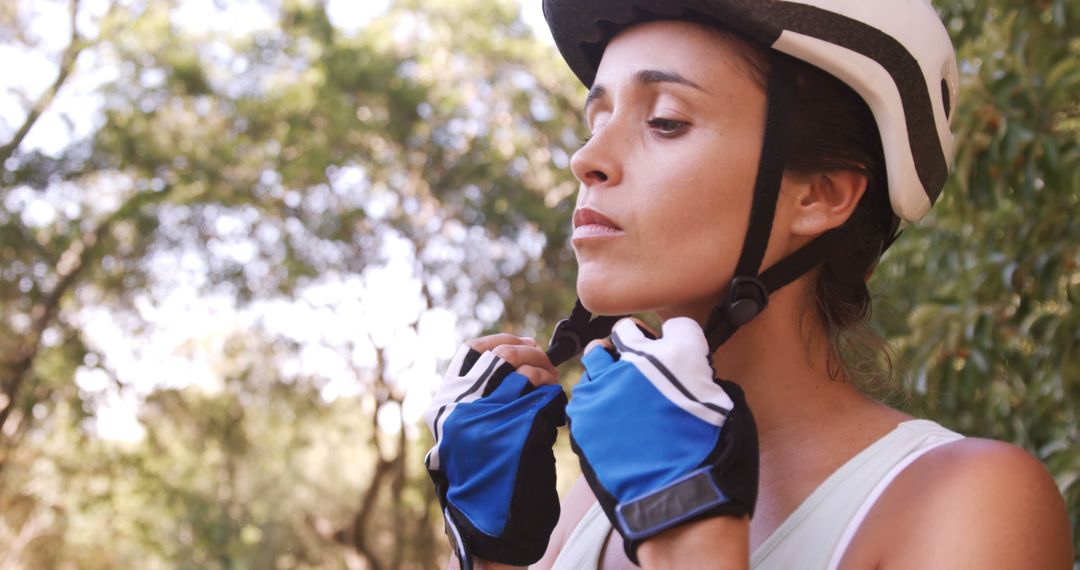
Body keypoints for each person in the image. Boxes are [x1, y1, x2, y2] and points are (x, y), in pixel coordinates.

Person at [423, 2, 1074, 569]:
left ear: (819, 195)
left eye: (666, 121)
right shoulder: (597, 501)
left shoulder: (970, 499)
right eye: (595, 121)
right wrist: (487, 555)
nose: (585, 159)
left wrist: (689, 544)